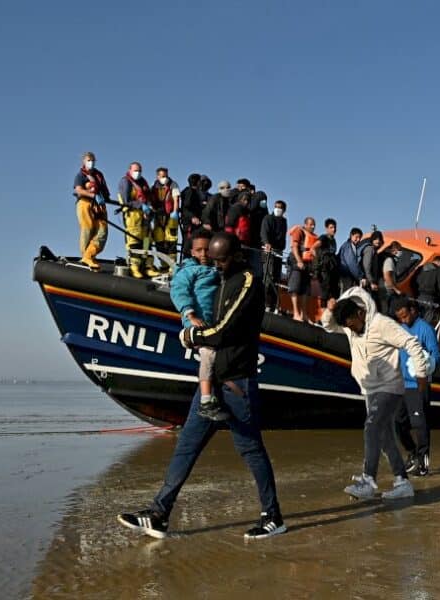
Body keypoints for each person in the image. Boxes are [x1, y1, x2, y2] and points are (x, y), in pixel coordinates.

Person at [117, 233, 285, 540]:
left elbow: (224, 330)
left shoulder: (248, 282)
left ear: (235, 255)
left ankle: (272, 515)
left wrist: (192, 337)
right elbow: (203, 311)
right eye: (213, 258)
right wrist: (189, 317)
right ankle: (159, 513)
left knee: (250, 448)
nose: (216, 264)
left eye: (221, 259)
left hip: (237, 381)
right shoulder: (220, 279)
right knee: (186, 446)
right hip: (212, 382)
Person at [322, 288, 428, 500]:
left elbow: (411, 343)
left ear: (360, 313)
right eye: (347, 327)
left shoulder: (382, 324)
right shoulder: (351, 326)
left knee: (371, 426)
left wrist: (421, 374)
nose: (351, 329)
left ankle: (368, 480)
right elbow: (329, 326)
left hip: (389, 386)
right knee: (384, 436)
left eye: (352, 324)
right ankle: (402, 482)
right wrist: (329, 310)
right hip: (369, 388)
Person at [168, 229, 228, 422]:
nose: (203, 254)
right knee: (208, 353)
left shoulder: (217, 271)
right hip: (197, 323)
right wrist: (190, 314)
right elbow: (179, 291)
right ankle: (205, 401)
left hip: (214, 324)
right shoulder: (187, 271)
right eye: (198, 250)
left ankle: (218, 394)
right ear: (192, 252)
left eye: (207, 250)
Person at [390, 297, 440, 477]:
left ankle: (423, 462)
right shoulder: (400, 329)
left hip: (418, 384)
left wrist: (426, 362)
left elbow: (437, 356)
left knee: (420, 424)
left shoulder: (425, 329)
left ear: (412, 310)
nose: (403, 320)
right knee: (397, 422)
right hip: (401, 384)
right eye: (399, 318)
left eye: (405, 316)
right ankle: (412, 452)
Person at [117, 162, 160, 278]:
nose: (138, 173)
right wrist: (140, 205)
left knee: (147, 240)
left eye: (139, 170)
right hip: (133, 215)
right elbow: (126, 200)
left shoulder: (143, 182)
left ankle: (147, 266)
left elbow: (148, 196)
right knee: (134, 241)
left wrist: (149, 207)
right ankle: (134, 266)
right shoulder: (125, 182)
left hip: (145, 216)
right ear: (130, 170)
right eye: (135, 170)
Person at [72, 151, 109, 271]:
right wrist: (93, 196)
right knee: (87, 229)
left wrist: (104, 198)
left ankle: (89, 255)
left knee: (102, 231)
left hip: (99, 206)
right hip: (85, 203)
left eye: (93, 160)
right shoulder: (80, 176)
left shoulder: (99, 175)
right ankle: (86, 257)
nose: (91, 162)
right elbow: (78, 190)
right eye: (88, 160)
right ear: (84, 161)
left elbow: (105, 190)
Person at [150, 167, 181, 272]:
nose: (165, 178)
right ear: (158, 176)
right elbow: (150, 200)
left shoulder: (173, 184)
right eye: (162, 176)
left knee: (171, 240)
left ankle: (172, 265)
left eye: (166, 176)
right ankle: (163, 264)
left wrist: (175, 211)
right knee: (159, 241)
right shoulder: (154, 187)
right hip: (158, 216)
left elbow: (176, 199)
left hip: (170, 216)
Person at [287, 217, 317, 321]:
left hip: (308, 264)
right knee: (294, 287)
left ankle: (304, 314)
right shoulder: (299, 231)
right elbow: (294, 247)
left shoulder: (315, 237)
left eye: (314, 225)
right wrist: (299, 261)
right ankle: (296, 313)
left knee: (306, 290)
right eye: (311, 224)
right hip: (297, 261)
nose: (313, 226)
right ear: (305, 224)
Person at [260, 200, 287, 312]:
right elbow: (264, 232)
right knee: (268, 277)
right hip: (268, 250)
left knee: (276, 278)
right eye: (276, 207)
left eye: (280, 207)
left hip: (278, 251)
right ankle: (265, 303)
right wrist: (266, 243)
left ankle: (273, 305)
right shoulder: (268, 218)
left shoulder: (284, 221)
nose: (278, 209)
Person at [414, 256, 440, 327]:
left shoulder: (420, 268)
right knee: (426, 324)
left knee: (417, 321)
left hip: (418, 298)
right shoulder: (439, 271)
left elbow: (412, 282)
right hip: (430, 300)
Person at [312, 218, 341, 305]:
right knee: (325, 290)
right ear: (327, 228)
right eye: (331, 227)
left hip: (332, 269)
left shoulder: (334, 240)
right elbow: (313, 248)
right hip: (324, 268)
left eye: (334, 227)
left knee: (333, 291)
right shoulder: (323, 238)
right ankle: (322, 312)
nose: (334, 229)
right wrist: (318, 261)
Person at [337, 227, 366, 292]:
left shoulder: (352, 246)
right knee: (346, 297)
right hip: (346, 276)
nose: (358, 239)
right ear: (351, 235)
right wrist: (360, 276)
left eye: (359, 238)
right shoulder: (347, 246)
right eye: (356, 237)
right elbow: (352, 264)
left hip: (347, 276)